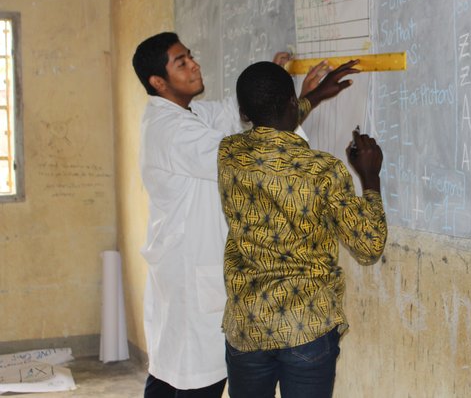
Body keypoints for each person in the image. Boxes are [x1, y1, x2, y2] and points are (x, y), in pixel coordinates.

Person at [132, 31, 356, 397]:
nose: (194, 65)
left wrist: (285, 90)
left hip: (186, 274)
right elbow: (253, 153)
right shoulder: (171, 130)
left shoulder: (191, 113)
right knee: (193, 382)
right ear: (158, 82)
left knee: (170, 376)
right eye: (181, 63)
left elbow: (233, 115)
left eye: (190, 56)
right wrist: (307, 100)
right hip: (191, 276)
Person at [218, 61, 387, 398]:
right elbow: (369, 247)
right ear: (291, 102)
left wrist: (313, 97)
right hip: (307, 325)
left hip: (247, 324)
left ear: (243, 113)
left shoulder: (229, 153)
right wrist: (370, 177)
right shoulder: (323, 170)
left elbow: (271, 124)